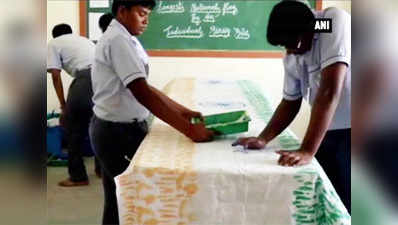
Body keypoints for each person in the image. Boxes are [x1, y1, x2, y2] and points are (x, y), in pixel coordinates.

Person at [89, 0, 214, 224]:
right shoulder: (118, 40)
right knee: (128, 197)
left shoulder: (128, 39)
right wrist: (189, 130)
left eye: (148, 14)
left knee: (119, 199)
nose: (146, 20)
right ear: (122, 11)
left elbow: (144, 86)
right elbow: (141, 93)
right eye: (141, 13)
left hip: (120, 128)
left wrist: (183, 111)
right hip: (116, 133)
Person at [233, 0, 351, 212]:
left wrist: (307, 149)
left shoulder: (330, 22)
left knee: (353, 198)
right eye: (285, 46)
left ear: (309, 30)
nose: (291, 51)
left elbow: (329, 91)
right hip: (332, 127)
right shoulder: (292, 53)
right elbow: (290, 101)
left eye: (294, 44)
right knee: (327, 192)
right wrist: (263, 138)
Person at [47, 23, 100, 186]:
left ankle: (78, 177)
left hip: (85, 79)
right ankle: (102, 171)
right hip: (105, 78)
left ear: (55, 35)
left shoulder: (54, 43)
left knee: (73, 129)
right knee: (99, 126)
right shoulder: (85, 40)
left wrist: (64, 106)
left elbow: (55, 75)